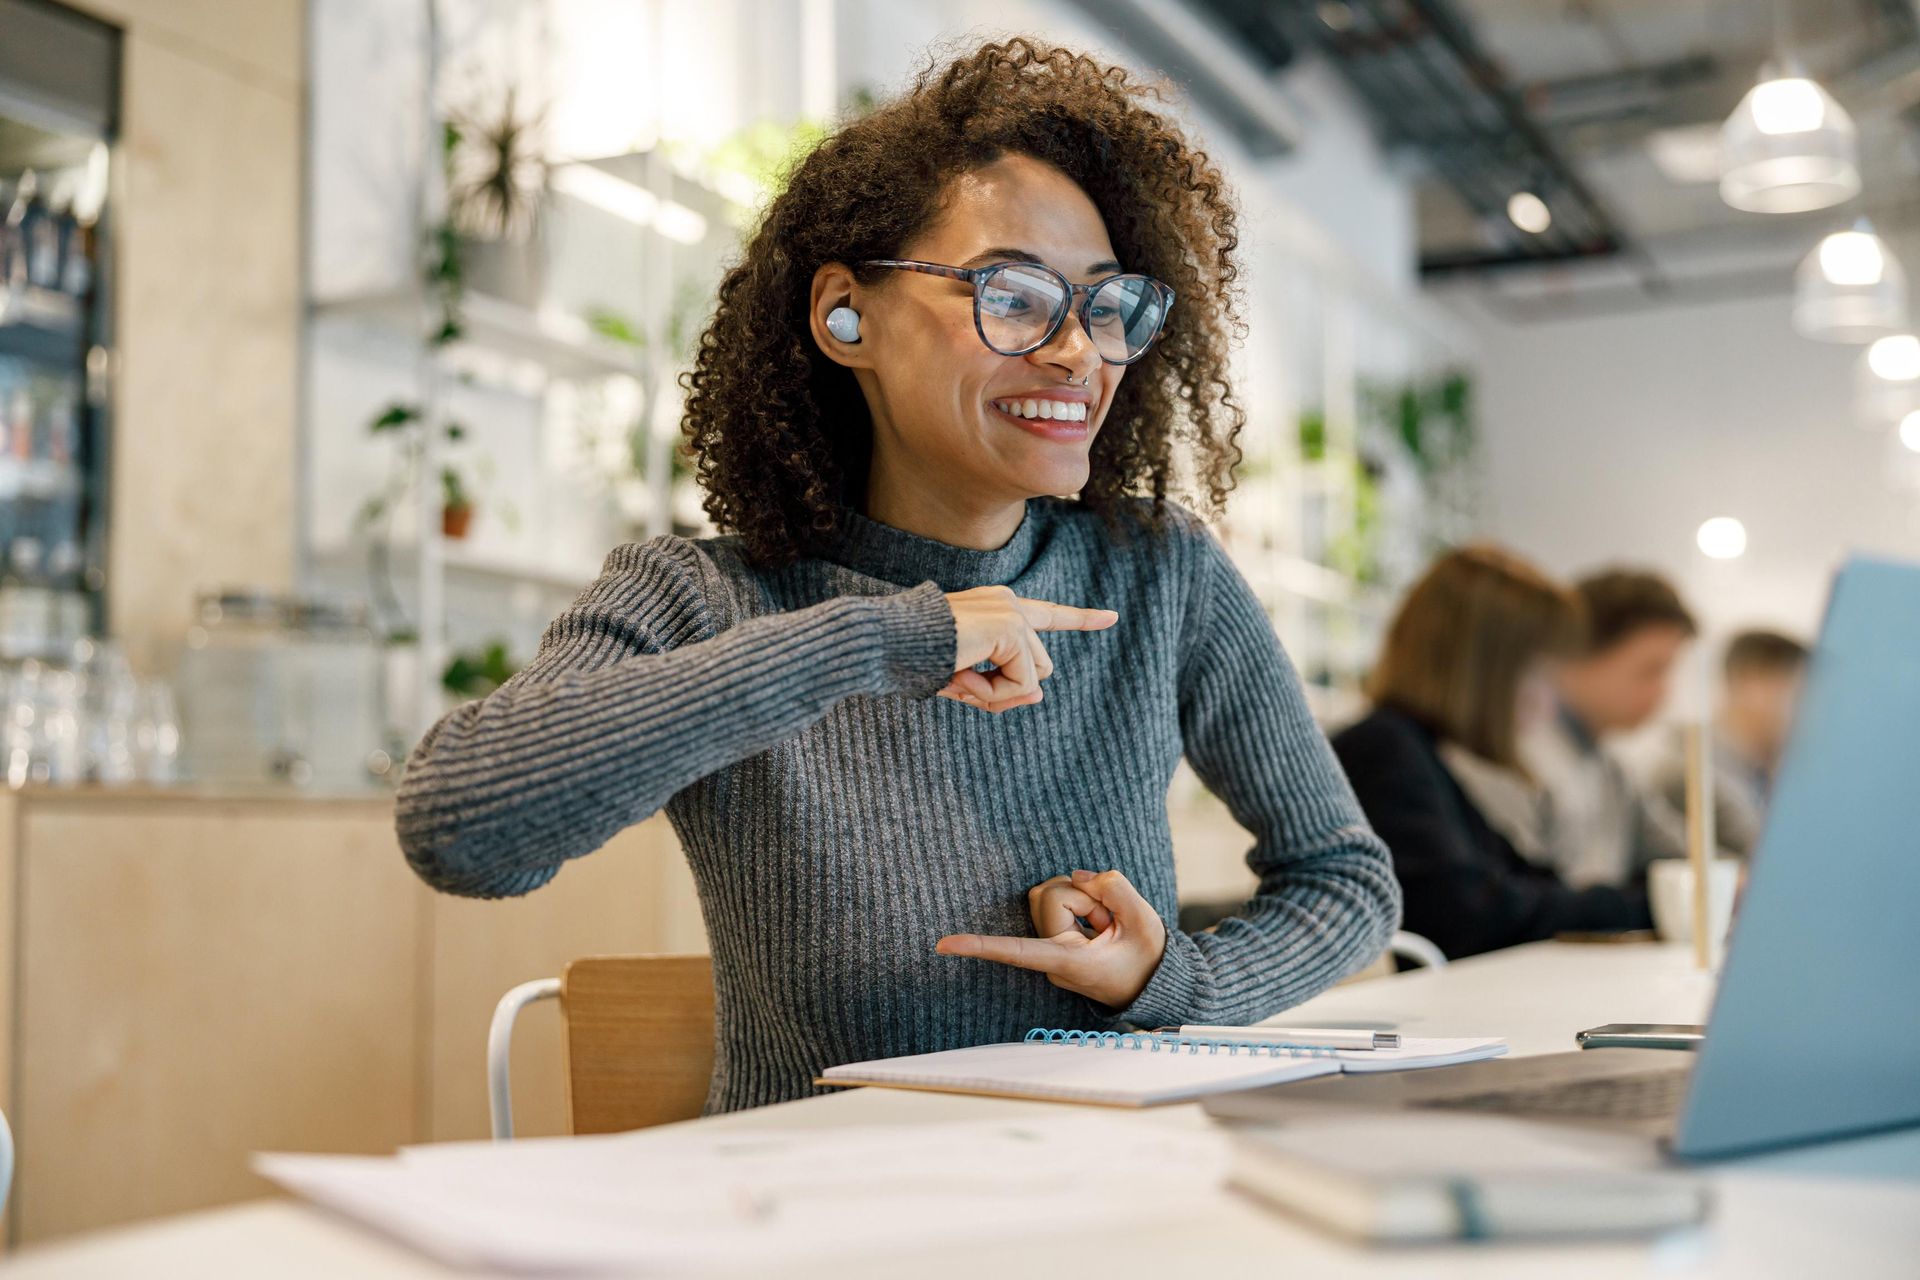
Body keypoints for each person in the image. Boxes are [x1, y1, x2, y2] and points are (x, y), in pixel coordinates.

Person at [394, 38, 1399, 1114]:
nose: (1078, 353)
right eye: (1014, 296)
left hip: (1106, 1197)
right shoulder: (702, 596)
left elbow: (1346, 881)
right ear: (847, 313)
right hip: (814, 1213)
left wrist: (1173, 979)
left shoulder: (1162, 576)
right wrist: (879, 638)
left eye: (1108, 307)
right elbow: (460, 826)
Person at [1332, 546, 1652, 961]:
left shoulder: (1421, 753)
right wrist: (1651, 905)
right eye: (1538, 671)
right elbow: (1468, 915)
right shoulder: (1384, 750)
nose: (1547, 702)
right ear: (1486, 669)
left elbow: (1525, 884)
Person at [1519, 569, 1698, 889]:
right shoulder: (1517, 758)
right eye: (1651, 670)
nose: (1664, 692)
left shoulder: (1612, 771)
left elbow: (1689, 855)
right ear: (1577, 652)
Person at [1653, 629, 1809, 856]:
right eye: (1800, 693)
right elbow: (1776, 859)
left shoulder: (1755, 773)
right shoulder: (1693, 771)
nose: (1810, 712)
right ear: (1753, 683)